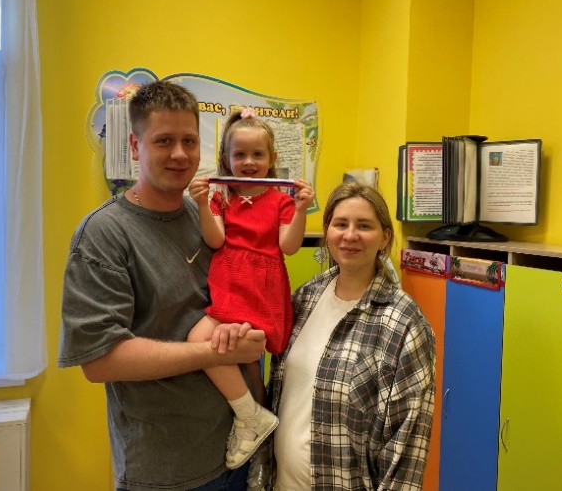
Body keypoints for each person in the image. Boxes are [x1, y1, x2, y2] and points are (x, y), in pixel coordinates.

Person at [58, 81, 268, 491]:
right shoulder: (104, 235)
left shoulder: (206, 219)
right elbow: (100, 361)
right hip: (165, 471)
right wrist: (215, 352)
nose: (180, 154)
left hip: (237, 450)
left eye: (189, 141)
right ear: (135, 146)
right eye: (164, 141)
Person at [268, 181, 436, 490]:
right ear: (327, 231)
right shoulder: (305, 298)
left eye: (364, 226)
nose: (350, 235)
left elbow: (407, 449)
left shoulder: (403, 322)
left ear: (385, 237)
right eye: (341, 224)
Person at [188, 107, 315, 472]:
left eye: (257, 154)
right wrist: (202, 203)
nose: (248, 162)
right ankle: (257, 419)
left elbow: (289, 246)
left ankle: (250, 417)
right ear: (226, 159)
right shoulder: (220, 196)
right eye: (239, 154)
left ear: (272, 159)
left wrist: (301, 209)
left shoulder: (281, 199)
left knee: (212, 344)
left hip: (261, 287)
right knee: (238, 358)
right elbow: (215, 240)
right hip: (229, 281)